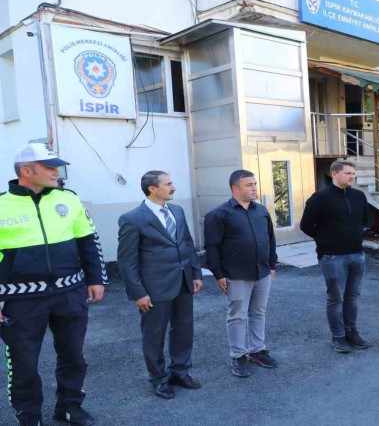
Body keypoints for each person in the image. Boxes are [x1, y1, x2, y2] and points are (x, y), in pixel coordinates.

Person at [0, 143, 106, 426]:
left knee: (74, 356)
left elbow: (88, 240)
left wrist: (96, 278)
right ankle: (29, 417)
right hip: (20, 300)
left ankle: (69, 407)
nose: (56, 172)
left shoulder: (68, 199)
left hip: (69, 293)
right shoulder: (1, 205)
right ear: (26, 171)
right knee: (23, 363)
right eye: (49, 167)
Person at [117, 171, 203, 400]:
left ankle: (180, 371)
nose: (173, 187)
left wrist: (195, 273)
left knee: (184, 329)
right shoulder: (132, 219)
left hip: (183, 282)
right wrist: (138, 293)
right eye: (169, 184)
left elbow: (187, 243)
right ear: (152, 189)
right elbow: (127, 261)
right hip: (154, 289)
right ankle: (159, 378)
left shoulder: (177, 211)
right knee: (154, 335)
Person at [205, 170, 278, 377]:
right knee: (237, 316)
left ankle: (257, 350)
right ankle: (238, 355)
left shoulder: (261, 211)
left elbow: (270, 239)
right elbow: (211, 247)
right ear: (235, 188)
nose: (254, 188)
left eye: (255, 184)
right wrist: (219, 274)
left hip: (262, 272)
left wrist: (272, 265)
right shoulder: (218, 214)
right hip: (235, 275)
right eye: (249, 185)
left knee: (258, 312)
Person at [300, 161, 371, 353]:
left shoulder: (358, 196)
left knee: (353, 297)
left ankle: (351, 332)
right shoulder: (320, 197)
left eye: (353, 173)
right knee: (336, 298)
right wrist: (325, 240)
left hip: (357, 254)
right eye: (347, 173)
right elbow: (306, 225)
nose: (352, 176)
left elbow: (366, 221)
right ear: (334, 174)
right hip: (332, 257)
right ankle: (338, 336)